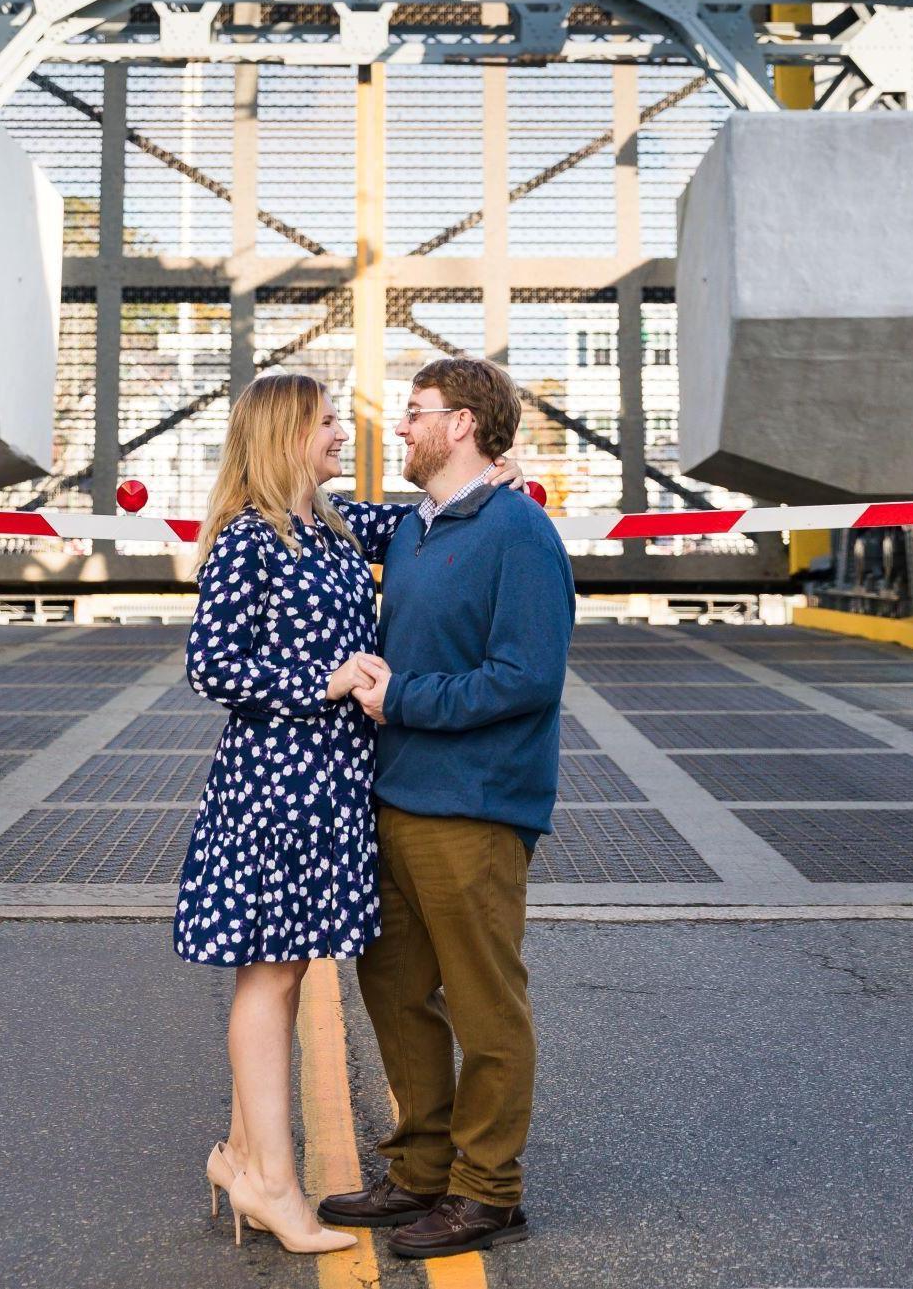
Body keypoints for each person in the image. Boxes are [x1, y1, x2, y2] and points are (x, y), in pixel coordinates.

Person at [170, 369, 530, 1253]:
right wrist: (320, 680)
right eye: (329, 422)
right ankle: (274, 1184)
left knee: (286, 974)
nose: (346, 433)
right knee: (273, 974)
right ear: (286, 434)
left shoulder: (334, 528)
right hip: (276, 781)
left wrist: (497, 479)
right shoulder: (249, 538)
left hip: (332, 782)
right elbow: (210, 667)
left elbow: (430, 516)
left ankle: (243, 1160)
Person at [321, 356, 575, 1261]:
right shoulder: (416, 528)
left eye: (415, 410)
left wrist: (406, 701)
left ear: (462, 422)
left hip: (473, 804)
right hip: (393, 795)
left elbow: (526, 677)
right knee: (394, 992)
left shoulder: (518, 531)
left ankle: (488, 1191)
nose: (400, 426)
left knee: (483, 1006)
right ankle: (420, 1169)